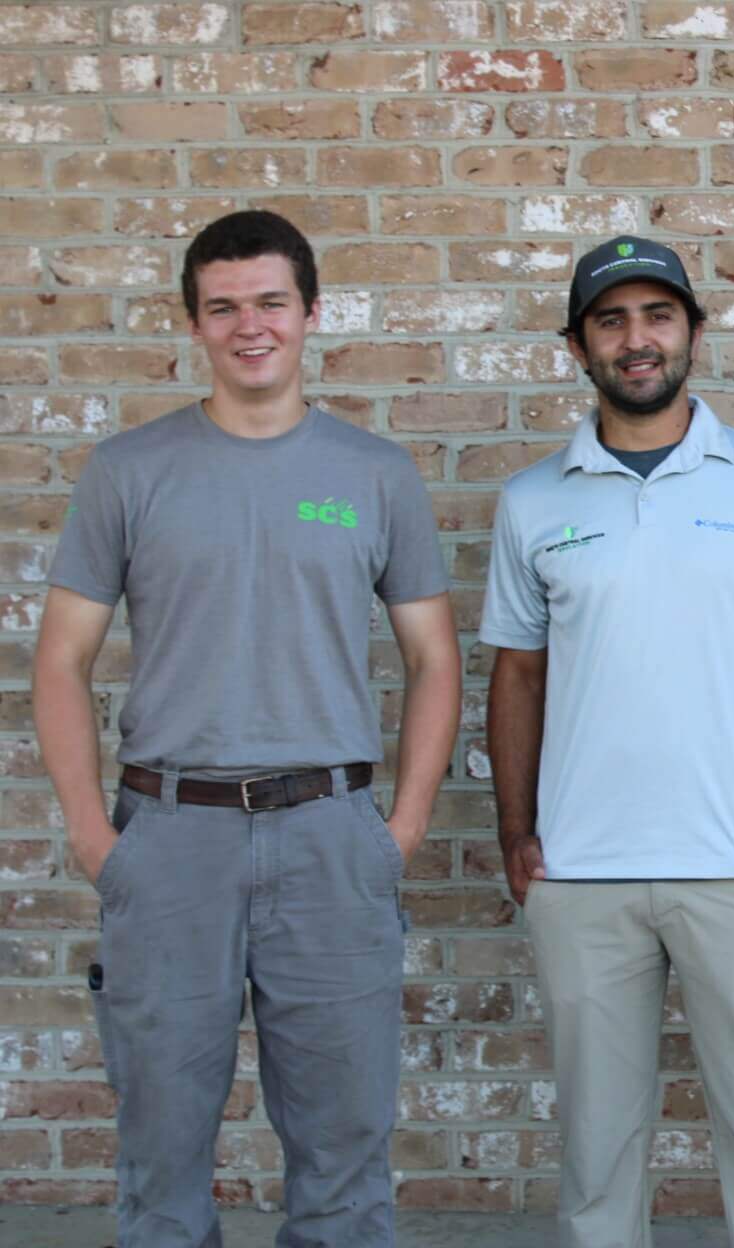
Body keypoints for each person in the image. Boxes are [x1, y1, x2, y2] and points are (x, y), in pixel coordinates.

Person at [33, 209, 461, 1247]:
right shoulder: (130, 471)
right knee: (162, 1163)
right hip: (171, 839)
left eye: (271, 302)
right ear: (194, 325)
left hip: (329, 838)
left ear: (312, 313)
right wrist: (99, 840)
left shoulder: (373, 472)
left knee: (345, 1162)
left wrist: (394, 831)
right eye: (223, 308)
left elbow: (433, 659)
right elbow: (60, 659)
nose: (249, 326)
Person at [481, 235, 734, 1248]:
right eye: (611, 321)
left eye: (656, 317)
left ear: (691, 330)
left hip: (733, 866)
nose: (636, 341)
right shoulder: (532, 500)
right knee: (598, 1160)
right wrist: (517, 833)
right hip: (580, 873)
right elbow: (515, 673)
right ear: (577, 345)